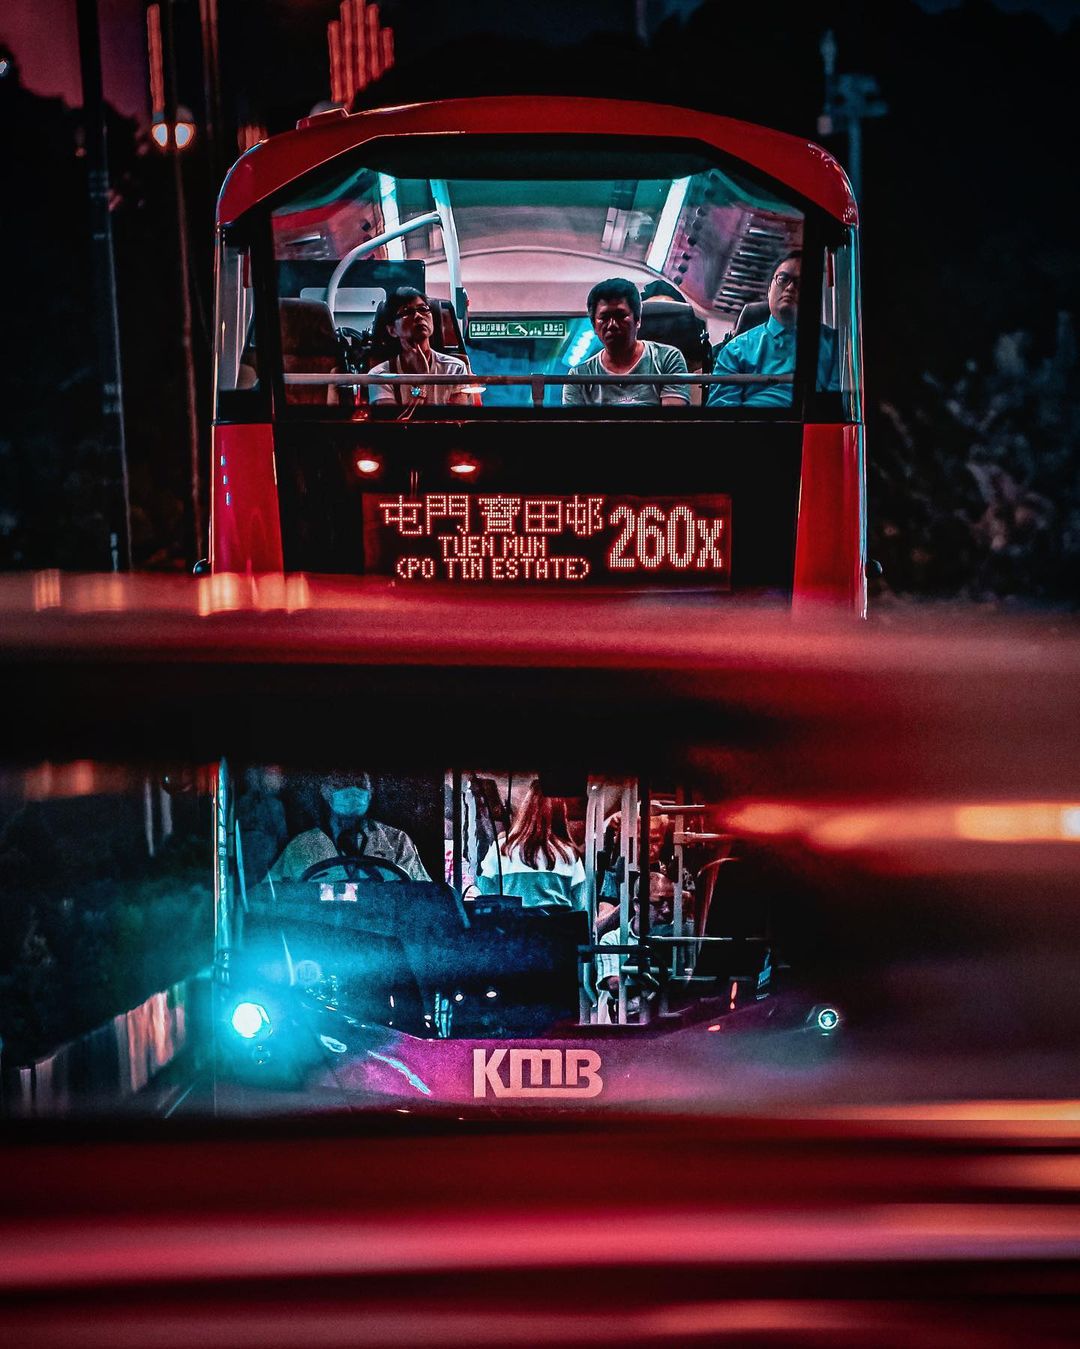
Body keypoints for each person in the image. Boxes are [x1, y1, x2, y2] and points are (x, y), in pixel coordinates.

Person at [707, 251, 838, 408]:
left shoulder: (836, 344)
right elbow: (723, 414)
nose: (790, 287)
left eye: (800, 282)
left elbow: (836, 406)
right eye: (783, 279)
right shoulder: (735, 350)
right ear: (769, 290)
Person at [268, 771, 432, 882]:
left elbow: (424, 893)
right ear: (325, 791)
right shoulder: (302, 846)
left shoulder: (396, 841)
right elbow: (272, 896)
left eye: (360, 783)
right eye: (342, 783)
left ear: (371, 791)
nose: (352, 790)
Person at [562, 277, 690, 407]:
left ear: (637, 320)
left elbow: (673, 422)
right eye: (604, 317)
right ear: (594, 326)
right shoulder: (578, 376)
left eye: (620, 316)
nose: (612, 324)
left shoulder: (667, 358)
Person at [594, 872, 693, 1019]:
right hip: (621, 1023)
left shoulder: (677, 939)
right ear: (637, 905)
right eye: (658, 903)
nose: (666, 910)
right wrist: (645, 974)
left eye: (670, 903)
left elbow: (686, 982)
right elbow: (614, 985)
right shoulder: (612, 939)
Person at [475, 780, 586, 908]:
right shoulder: (570, 855)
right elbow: (581, 905)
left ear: (525, 810)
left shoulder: (500, 849)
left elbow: (484, 893)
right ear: (561, 814)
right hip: (558, 927)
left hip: (512, 927)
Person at [367, 286, 472, 407]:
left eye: (423, 309)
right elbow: (392, 423)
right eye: (407, 312)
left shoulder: (454, 368)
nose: (418, 316)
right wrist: (421, 381)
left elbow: (457, 420)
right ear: (392, 330)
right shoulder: (379, 375)